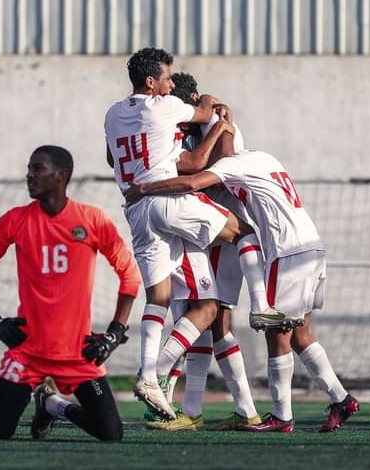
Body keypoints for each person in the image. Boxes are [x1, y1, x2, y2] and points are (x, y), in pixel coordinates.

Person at [128, 124, 360, 433]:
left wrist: (144, 187)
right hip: (312, 246)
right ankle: (341, 399)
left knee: (272, 333)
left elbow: (194, 179)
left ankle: (281, 417)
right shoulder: (264, 157)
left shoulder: (230, 164)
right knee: (299, 333)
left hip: (285, 252)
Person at [104, 48, 273, 419]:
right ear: (152, 82)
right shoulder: (167, 107)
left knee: (163, 300)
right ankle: (262, 306)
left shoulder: (114, 113)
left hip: (136, 211)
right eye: (166, 78)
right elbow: (204, 131)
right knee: (243, 233)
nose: (168, 84)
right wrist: (216, 111)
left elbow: (110, 158)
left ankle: (152, 375)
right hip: (175, 201)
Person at [0, 145, 141, 441]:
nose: (29, 175)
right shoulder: (16, 220)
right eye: (29, 168)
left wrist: (114, 332)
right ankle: (43, 399)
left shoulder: (92, 219)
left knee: (111, 434)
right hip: (29, 352)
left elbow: (130, 275)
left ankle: (51, 405)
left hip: (76, 353)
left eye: (37, 168)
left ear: (61, 176)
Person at [144, 72, 260, 432]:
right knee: (199, 318)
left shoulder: (216, 120)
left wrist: (211, 120)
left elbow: (218, 167)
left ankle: (169, 385)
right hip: (200, 229)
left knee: (213, 318)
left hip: (224, 230)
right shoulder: (176, 128)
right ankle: (224, 409)